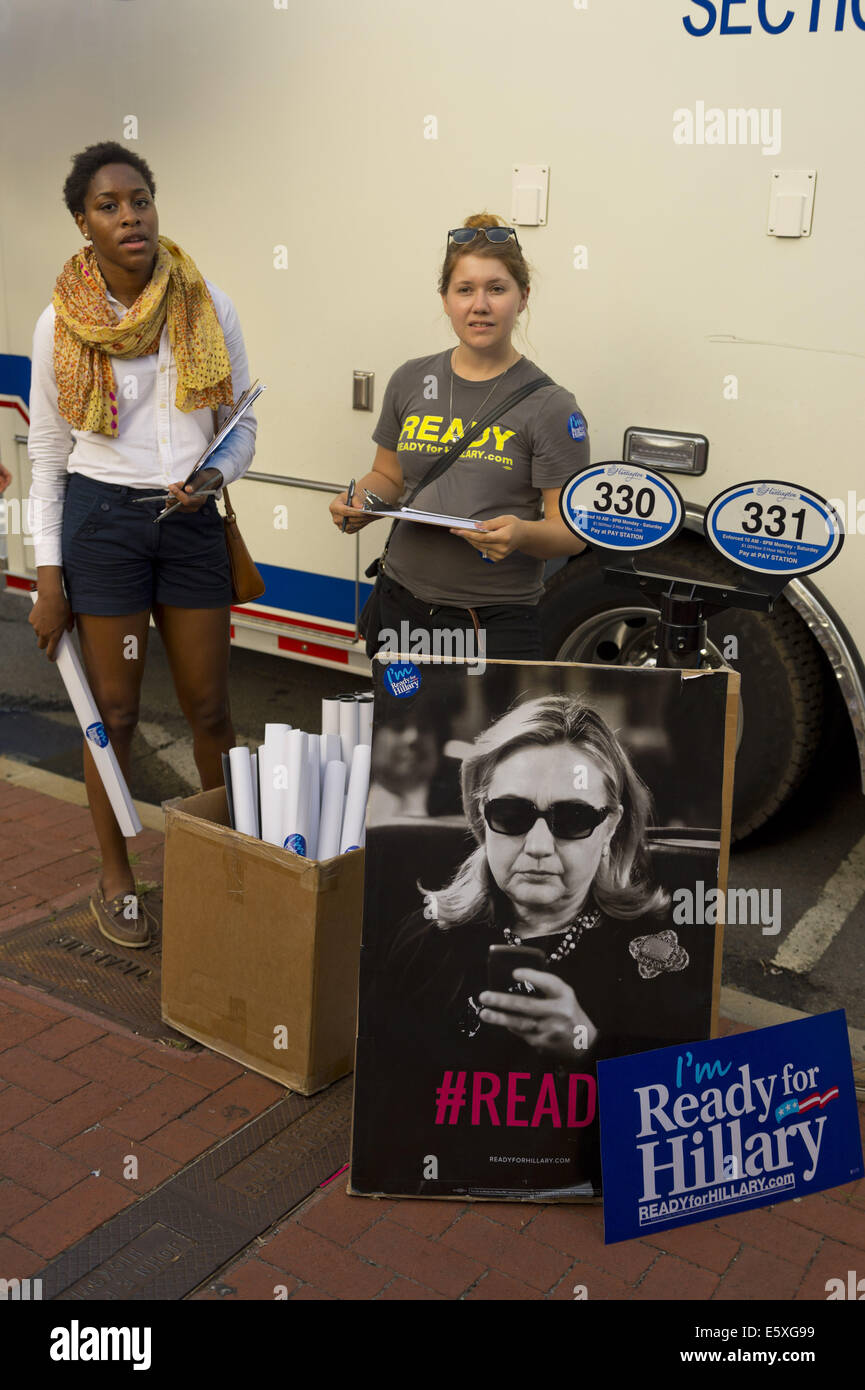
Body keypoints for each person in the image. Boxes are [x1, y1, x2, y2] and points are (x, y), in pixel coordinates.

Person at [27, 141, 256, 949]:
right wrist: (46, 577)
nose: (129, 216)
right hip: (103, 526)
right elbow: (48, 456)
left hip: (189, 521)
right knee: (114, 714)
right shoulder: (61, 323)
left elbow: (241, 423)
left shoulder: (208, 304)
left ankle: (232, 867)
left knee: (212, 710)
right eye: (108, 206)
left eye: (139, 200)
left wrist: (216, 470)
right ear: (83, 224)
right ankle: (117, 875)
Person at [353, 694, 711, 1197]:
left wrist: (589, 1047)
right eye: (511, 813)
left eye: (571, 820)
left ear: (608, 827)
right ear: (481, 817)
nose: (539, 846)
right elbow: (383, 1112)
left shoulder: (662, 957)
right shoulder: (422, 940)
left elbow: (684, 1143)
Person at [329, 214, 588, 660]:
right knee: (398, 731)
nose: (479, 305)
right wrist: (359, 503)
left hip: (493, 620)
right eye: (465, 290)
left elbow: (571, 530)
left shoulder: (551, 406)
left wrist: (522, 535)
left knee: (487, 734)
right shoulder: (410, 379)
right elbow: (387, 477)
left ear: (523, 298)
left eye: (497, 289)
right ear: (446, 300)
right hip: (401, 604)